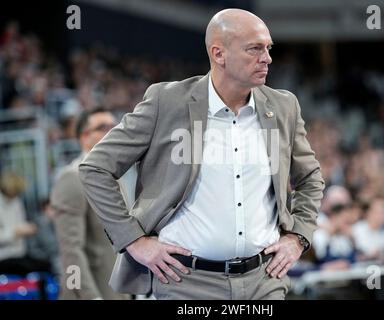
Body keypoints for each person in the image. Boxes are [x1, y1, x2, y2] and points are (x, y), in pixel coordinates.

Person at [79, 9, 324, 300]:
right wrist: (133, 240)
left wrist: (298, 237)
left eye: (268, 48)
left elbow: (310, 177)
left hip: (265, 281)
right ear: (219, 54)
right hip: (185, 283)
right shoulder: (166, 102)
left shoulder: (284, 106)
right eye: (254, 48)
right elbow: (95, 168)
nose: (267, 58)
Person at [50, 107, 131, 300]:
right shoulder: (71, 179)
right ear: (84, 137)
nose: (112, 131)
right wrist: (90, 297)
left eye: (115, 126)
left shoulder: (118, 178)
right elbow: (70, 250)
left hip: (118, 291)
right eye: (103, 127)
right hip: (91, 293)